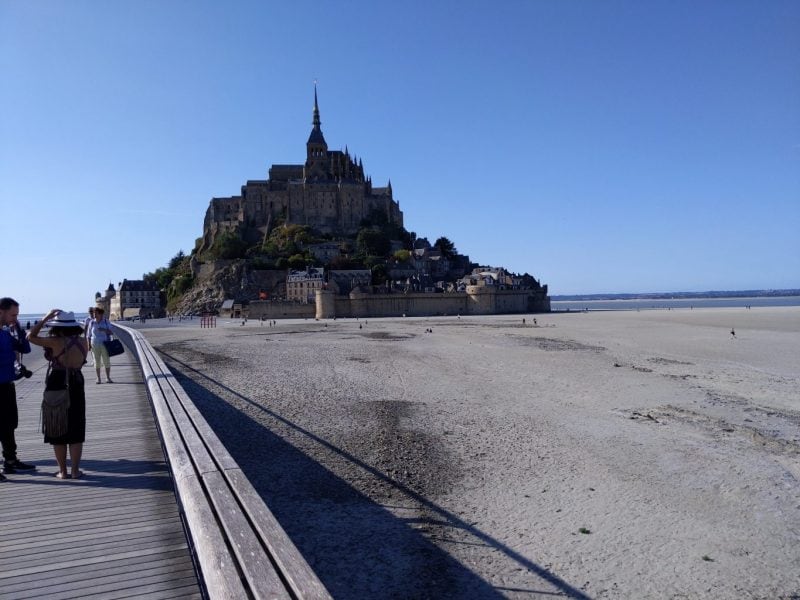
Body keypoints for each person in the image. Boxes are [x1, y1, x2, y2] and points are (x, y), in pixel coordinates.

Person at [28, 309, 88, 479]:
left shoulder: (55, 342)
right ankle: (75, 471)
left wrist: (45, 317)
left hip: (57, 381)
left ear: (57, 327)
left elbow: (30, 337)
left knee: (57, 426)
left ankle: (63, 471)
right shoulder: (84, 341)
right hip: (76, 381)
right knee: (76, 427)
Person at [0, 297, 36, 481]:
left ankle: (11, 460)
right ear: (1, 311)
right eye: (13, 314)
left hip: (7, 384)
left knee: (9, 424)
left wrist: (20, 331)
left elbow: (25, 349)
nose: (15, 318)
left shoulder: (6, 333)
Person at [87, 307, 113, 383]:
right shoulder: (92, 322)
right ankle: (98, 378)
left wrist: (104, 330)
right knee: (96, 361)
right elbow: (88, 335)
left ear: (101, 314)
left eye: (96, 313)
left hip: (105, 344)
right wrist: (88, 345)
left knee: (106, 361)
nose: (94, 314)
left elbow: (111, 332)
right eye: (94, 313)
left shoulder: (106, 322)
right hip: (94, 344)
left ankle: (108, 378)